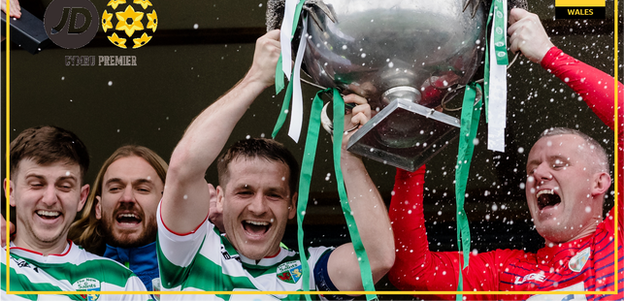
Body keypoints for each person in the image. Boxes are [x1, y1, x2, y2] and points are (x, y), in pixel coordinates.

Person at [388, 8, 624, 300]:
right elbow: (412, 271)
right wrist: (413, 156)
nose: (537, 174)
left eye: (559, 164)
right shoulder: (506, 272)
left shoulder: (618, 239)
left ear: (599, 183)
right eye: (532, 168)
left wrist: (550, 54)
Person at [156, 29, 395, 300]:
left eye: (273, 194)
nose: (258, 207)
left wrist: (347, 153)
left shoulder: (309, 271)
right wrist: (255, 79)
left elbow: (377, 259)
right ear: (219, 198)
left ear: (292, 205)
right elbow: (183, 169)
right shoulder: (191, 251)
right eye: (244, 191)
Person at [1, 125, 148, 300]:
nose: (50, 199)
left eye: (64, 186)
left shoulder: (122, 283)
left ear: (81, 197)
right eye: (36, 184)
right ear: (10, 192)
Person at [69, 145, 169, 294]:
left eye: (142, 189)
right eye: (115, 188)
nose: (127, 198)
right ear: (98, 208)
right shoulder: (68, 277)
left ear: (167, 205)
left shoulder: (193, 277)